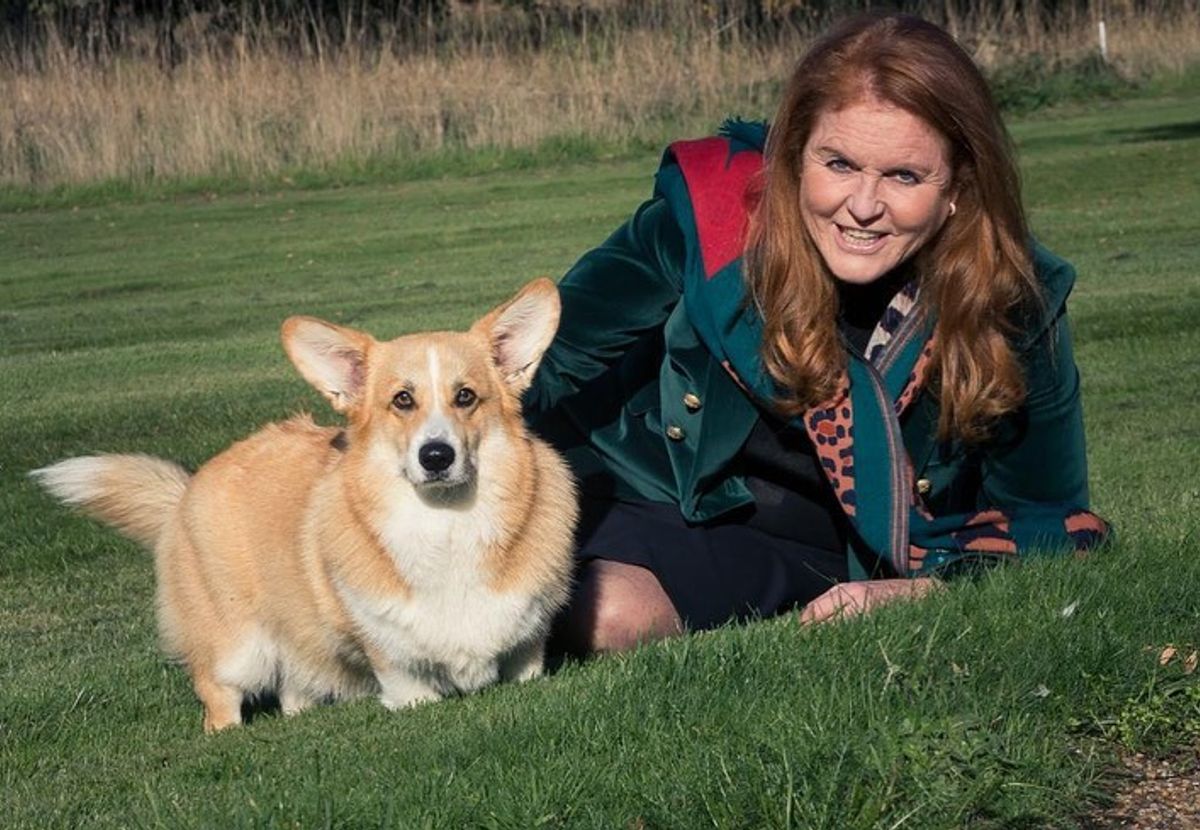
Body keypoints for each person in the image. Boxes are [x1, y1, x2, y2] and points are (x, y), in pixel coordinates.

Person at [523, 13, 1110, 657]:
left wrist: (928, 590)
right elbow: (540, 369)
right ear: (795, 155)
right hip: (660, 501)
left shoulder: (1014, 295)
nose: (862, 205)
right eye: (838, 163)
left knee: (604, 612)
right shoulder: (708, 219)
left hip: (852, 548)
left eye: (904, 176)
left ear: (958, 189)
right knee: (600, 611)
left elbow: (1053, 521)